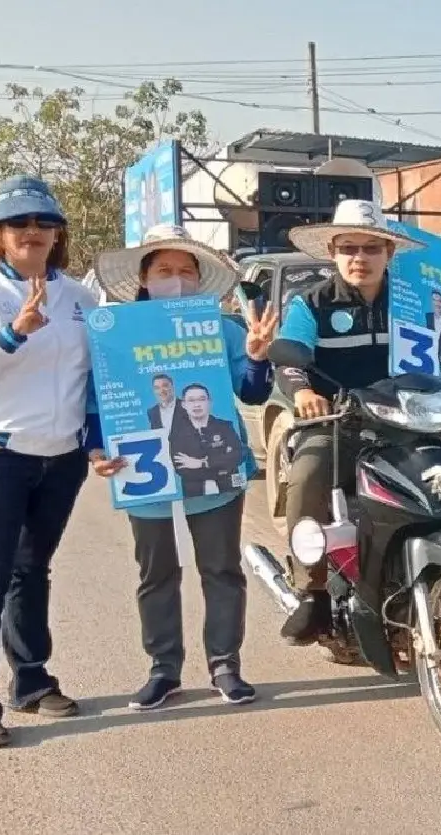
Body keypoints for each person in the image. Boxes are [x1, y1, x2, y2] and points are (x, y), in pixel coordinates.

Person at [0, 175, 100, 749]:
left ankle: (31, 681)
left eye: (43, 222)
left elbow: (97, 380)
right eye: (19, 223)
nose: (32, 232)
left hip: (61, 457)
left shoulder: (81, 298)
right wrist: (13, 334)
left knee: (33, 571)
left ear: (58, 233)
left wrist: (98, 439)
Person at [92, 224, 277, 710]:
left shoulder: (225, 328)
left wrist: (257, 357)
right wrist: (95, 450)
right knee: (156, 572)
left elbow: (252, 392)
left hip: (215, 469)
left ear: (200, 279)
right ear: (144, 278)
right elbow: (99, 402)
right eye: (164, 270)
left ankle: (225, 665)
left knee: (220, 567)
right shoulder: (115, 333)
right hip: (143, 467)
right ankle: (163, 668)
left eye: (185, 271)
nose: (175, 279)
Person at [272, 199, 423, 663]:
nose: (361, 257)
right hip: (337, 422)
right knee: (309, 474)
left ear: (389, 253)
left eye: (372, 248)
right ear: (333, 253)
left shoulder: (416, 302)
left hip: (406, 425)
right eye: (349, 247)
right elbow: (287, 357)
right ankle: (312, 593)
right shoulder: (311, 304)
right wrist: (301, 392)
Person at [167, 383, 246, 499]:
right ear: (183, 405)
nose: (197, 404)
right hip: (194, 497)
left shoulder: (225, 427)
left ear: (209, 402)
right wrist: (222, 462)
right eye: (191, 400)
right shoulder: (176, 434)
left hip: (230, 491)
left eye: (202, 399)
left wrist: (202, 463)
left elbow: (239, 455)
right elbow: (181, 468)